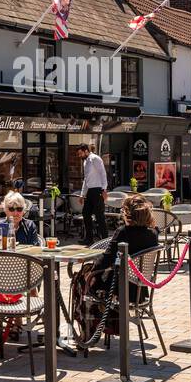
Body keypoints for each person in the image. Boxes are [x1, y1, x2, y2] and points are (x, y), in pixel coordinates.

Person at [73, 195, 160, 341]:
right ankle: (103, 324)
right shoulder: (153, 234)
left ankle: (89, 330)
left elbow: (106, 259)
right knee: (91, 276)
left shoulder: (123, 232)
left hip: (118, 288)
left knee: (82, 278)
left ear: (128, 214)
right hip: (139, 289)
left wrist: (92, 270)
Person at [79, 143, 108, 245]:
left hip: (98, 190)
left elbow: (103, 173)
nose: (80, 155)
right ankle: (89, 238)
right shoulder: (85, 162)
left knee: (99, 215)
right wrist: (82, 194)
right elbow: (86, 179)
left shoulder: (95, 159)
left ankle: (105, 239)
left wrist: (104, 189)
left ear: (86, 151)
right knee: (86, 213)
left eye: (81, 153)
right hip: (90, 191)